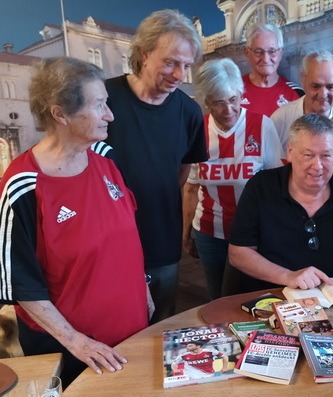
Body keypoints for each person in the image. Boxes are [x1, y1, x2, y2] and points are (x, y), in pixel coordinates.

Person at [0, 57, 152, 387]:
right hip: (77, 352)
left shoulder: (106, 158)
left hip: (132, 334)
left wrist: (143, 284)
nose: (110, 115)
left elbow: (124, 233)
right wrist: (75, 341)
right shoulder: (22, 185)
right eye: (99, 106)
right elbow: (22, 285)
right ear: (60, 114)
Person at [103, 10, 207, 323]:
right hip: (107, 245)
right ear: (145, 54)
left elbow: (183, 170)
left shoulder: (188, 111)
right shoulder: (103, 99)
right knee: (114, 326)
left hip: (161, 240)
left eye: (186, 65)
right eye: (171, 62)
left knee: (161, 324)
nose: (179, 75)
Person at [228, 114, 333, 296]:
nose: (317, 166)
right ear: (290, 152)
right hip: (270, 299)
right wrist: (288, 276)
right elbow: (238, 253)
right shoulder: (261, 187)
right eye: (308, 155)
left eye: (326, 155)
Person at [182, 58, 283, 301]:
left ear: (240, 94)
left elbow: (277, 184)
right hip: (209, 232)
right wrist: (185, 233)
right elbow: (190, 188)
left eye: (233, 100)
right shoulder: (198, 130)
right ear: (206, 102)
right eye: (218, 103)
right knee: (219, 298)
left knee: (255, 297)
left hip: (253, 234)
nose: (228, 109)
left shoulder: (262, 126)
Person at [270, 50, 333, 149]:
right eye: (315, 86)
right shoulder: (281, 119)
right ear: (303, 80)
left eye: (330, 87)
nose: (323, 95)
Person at [240, 23, 304, 116]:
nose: (265, 59)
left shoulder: (297, 94)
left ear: (281, 52)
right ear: (247, 53)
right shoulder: (234, 91)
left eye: (272, 51)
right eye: (258, 52)